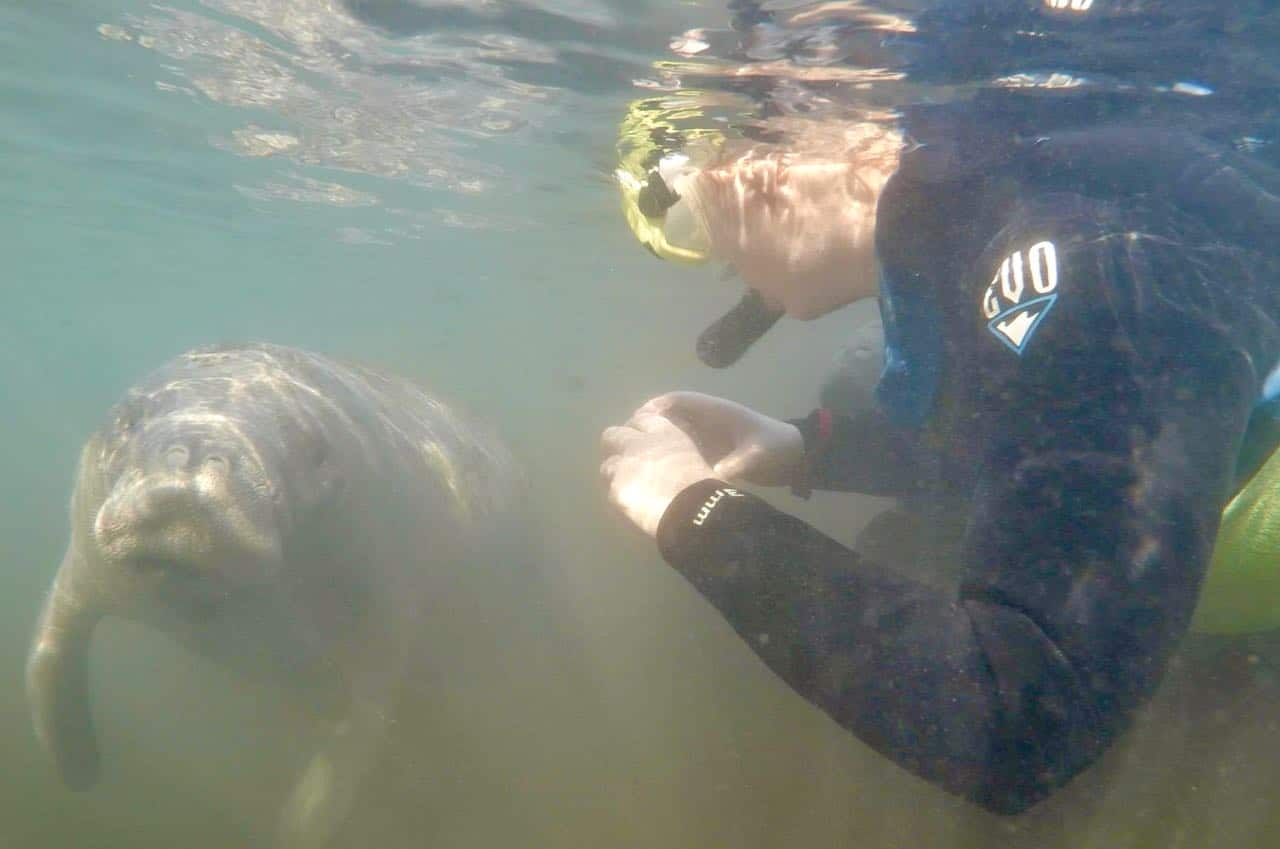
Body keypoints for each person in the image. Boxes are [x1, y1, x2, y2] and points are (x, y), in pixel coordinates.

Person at [601, 85, 1280, 814]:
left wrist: (694, 512)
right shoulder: (991, 228)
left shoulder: (1094, 275)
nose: (722, 268)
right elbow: (1027, 434)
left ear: (758, 170)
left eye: (692, 226)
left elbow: (1023, 718)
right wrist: (807, 449)